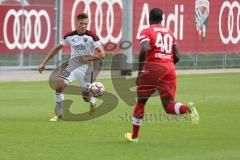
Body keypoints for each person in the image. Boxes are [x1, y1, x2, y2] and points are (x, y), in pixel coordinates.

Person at [125, 8, 199, 143]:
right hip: (169, 69)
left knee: (141, 101)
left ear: (149, 18)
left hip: (153, 69)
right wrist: (168, 65)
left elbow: (144, 49)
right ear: (162, 19)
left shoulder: (146, 31)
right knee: (169, 105)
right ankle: (187, 109)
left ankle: (134, 137)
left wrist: (140, 72)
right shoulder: (170, 33)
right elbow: (177, 56)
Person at [39, 13, 105, 122]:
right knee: (59, 86)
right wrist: (44, 62)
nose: (83, 26)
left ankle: (92, 102)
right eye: (81, 23)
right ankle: (59, 114)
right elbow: (56, 49)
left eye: (86, 24)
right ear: (77, 23)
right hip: (72, 66)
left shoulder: (92, 37)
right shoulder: (69, 36)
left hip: (86, 70)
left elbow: (102, 54)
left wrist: (86, 58)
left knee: (85, 97)